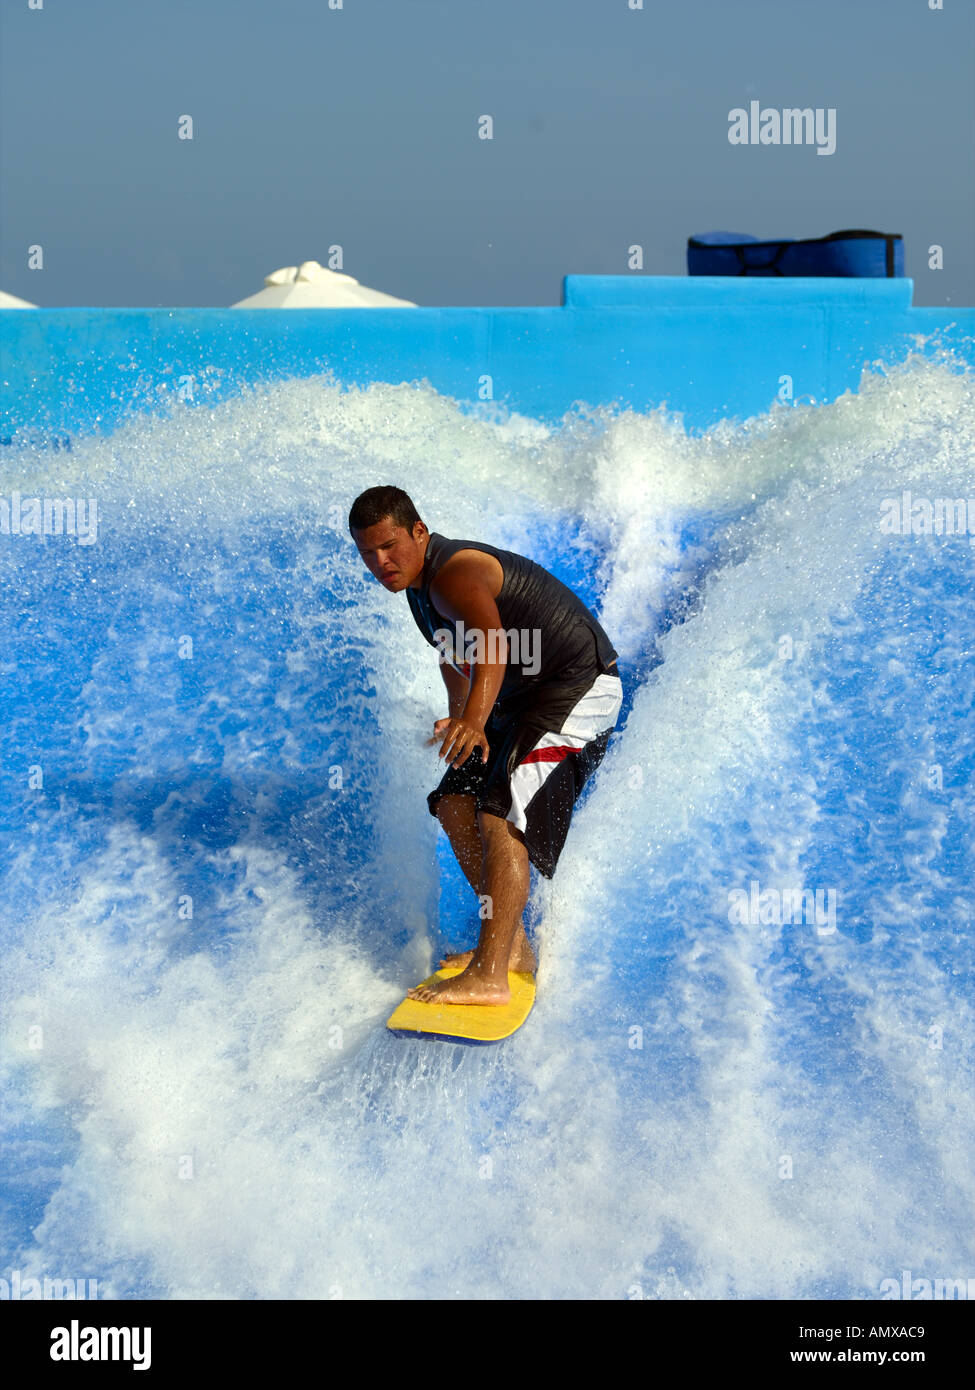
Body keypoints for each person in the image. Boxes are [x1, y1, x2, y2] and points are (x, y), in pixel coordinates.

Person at [349, 485, 623, 1006]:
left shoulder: (454, 573)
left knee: (500, 813)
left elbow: (493, 644)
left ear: (419, 531)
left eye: (389, 546)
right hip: (520, 702)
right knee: (455, 802)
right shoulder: (417, 588)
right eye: (367, 553)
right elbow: (455, 654)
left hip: (576, 688)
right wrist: (460, 720)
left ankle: (490, 975)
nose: (380, 562)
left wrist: (476, 722)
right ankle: (512, 946)